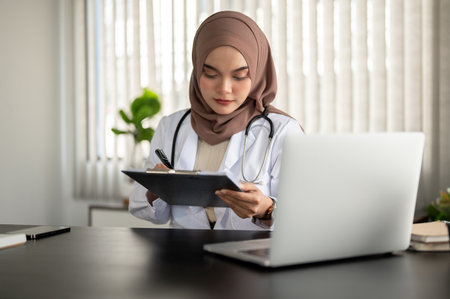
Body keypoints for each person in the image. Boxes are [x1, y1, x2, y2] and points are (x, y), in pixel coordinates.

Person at [129, 11, 303, 230]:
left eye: (239, 76)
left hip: (249, 258)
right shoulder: (171, 127)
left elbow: (303, 217)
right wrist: (155, 189)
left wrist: (266, 209)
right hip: (182, 258)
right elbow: (144, 209)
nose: (224, 88)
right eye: (211, 74)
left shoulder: (282, 132)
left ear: (258, 73)